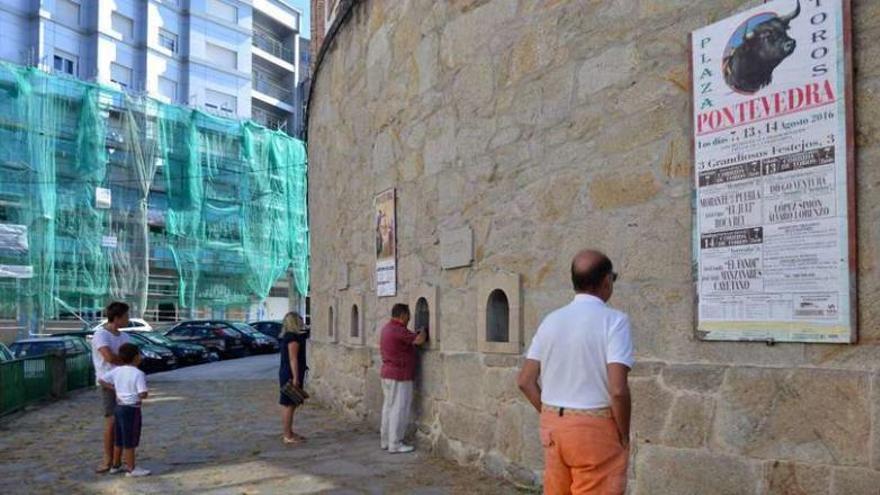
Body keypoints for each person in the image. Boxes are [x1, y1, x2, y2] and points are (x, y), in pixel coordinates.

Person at [517, 250, 634, 495]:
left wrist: (554, 415)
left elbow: (525, 381)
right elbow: (618, 390)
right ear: (606, 281)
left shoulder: (551, 320)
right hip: (595, 427)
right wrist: (623, 434)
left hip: (553, 427)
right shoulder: (614, 321)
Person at [379, 303, 427, 454]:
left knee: (388, 408)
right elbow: (419, 340)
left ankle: (385, 440)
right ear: (403, 315)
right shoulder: (398, 330)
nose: (409, 319)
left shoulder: (386, 328)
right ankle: (395, 443)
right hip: (399, 375)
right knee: (399, 409)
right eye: (408, 316)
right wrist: (424, 331)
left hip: (388, 373)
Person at [100, 343, 150, 477]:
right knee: (130, 439)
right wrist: (140, 395)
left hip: (119, 407)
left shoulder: (117, 370)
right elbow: (143, 393)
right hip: (132, 408)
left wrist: (114, 389)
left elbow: (102, 380)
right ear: (135, 357)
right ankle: (131, 468)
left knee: (119, 438)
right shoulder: (139, 374)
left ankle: (116, 465)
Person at [92, 301, 132, 474]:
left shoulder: (125, 337)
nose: (128, 319)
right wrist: (127, 360)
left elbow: (133, 354)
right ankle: (107, 459)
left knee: (125, 422)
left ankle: (119, 458)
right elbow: (108, 357)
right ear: (117, 317)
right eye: (126, 316)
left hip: (125, 383)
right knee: (111, 421)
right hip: (108, 383)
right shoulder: (101, 334)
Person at [279, 312, 309, 444]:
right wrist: (296, 377)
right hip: (290, 373)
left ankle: (289, 432)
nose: (302, 322)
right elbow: (293, 359)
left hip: (287, 372)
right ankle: (287, 435)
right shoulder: (292, 338)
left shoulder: (288, 336)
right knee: (289, 405)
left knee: (291, 404)